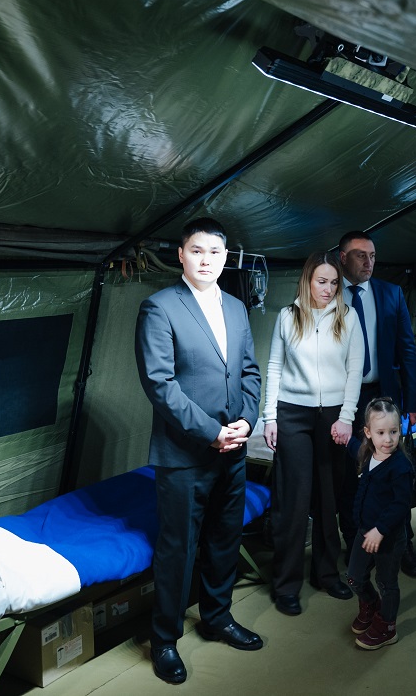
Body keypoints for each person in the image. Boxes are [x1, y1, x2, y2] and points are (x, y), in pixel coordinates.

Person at [135, 218, 263, 685]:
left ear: (225, 258)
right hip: (184, 453)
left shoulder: (236, 307)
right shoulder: (159, 307)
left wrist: (247, 420)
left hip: (233, 448)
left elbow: (249, 372)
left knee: (225, 538)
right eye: (196, 250)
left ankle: (218, 618)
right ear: (181, 255)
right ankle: (164, 640)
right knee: (178, 548)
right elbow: (160, 384)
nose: (206, 260)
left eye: (214, 252)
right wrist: (211, 431)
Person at [262, 251, 364, 616]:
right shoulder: (287, 316)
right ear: (307, 281)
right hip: (292, 414)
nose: (328, 288)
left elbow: (355, 370)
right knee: (293, 501)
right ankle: (286, 585)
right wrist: (269, 417)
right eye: (321, 281)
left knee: (328, 498)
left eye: (334, 282)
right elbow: (274, 366)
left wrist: (347, 417)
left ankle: (326, 574)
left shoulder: (348, 317)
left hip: (333, 416)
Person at [337, 231, 416, 578]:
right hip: (344, 399)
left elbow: (407, 350)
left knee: (393, 474)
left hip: (383, 396)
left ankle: (404, 547)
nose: (368, 262)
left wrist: (413, 401)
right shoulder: (329, 294)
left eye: (372, 255)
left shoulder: (391, 293)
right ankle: (355, 546)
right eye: (360, 255)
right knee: (351, 476)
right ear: (342, 258)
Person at [345, 397, 414, 650]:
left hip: (389, 537)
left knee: (386, 583)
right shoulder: (368, 454)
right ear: (368, 433)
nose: (388, 439)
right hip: (365, 531)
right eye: (381, 433)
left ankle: (387, 626)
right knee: (354, 577)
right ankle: (370, 604)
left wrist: (381, 530)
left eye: (394, 432)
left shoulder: (400, 467)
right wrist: (343, 437)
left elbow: (400, 504)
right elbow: (353, 447)